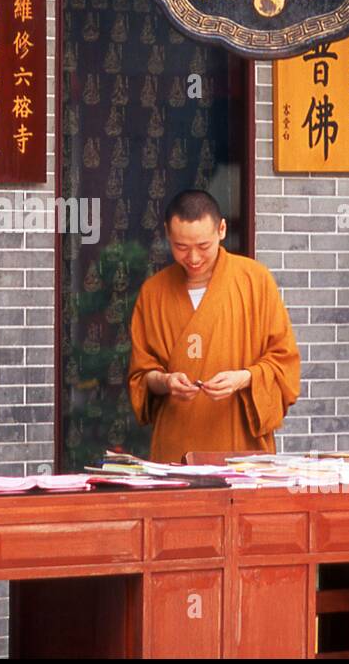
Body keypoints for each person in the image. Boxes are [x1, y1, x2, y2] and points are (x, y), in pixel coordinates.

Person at [127, 190, 301, 463]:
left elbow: (285, 363)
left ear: (221, 229)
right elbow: (141, 376)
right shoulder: (154, 292)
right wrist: (166, 381)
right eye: (181, 247)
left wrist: (243, 378)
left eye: (203, 246)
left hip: (241, 448)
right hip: (175, 450)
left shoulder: (255, 281)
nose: (193, 258)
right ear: (167, 234)